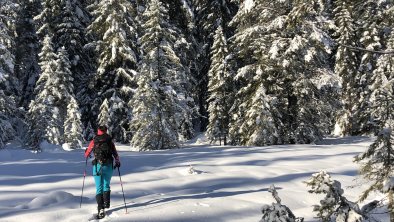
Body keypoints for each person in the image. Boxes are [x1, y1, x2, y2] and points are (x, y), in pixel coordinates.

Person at [84, 125, 121, 219]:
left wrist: (87, 152)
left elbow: (87, 154)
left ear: (98, 130)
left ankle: (100, 209)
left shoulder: (94, 140)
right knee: (106, 184)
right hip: (108, 165)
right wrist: (117, 161)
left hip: (97, 166)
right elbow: (115, 153)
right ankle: (106, 203)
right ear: (106, 130)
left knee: (99, 187)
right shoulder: (109, 140)